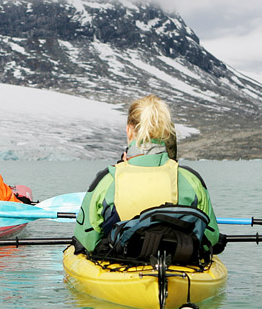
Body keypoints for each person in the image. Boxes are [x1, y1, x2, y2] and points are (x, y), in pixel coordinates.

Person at [72, 94, 222, 262]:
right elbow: (212, 238)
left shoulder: (107, 180)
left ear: (129, 130)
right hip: (179, 263)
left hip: (120, 265)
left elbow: (86, 241)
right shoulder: (191, 180)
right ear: (166, 131)